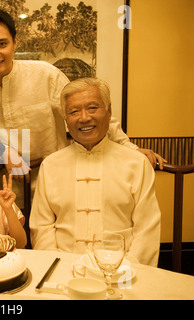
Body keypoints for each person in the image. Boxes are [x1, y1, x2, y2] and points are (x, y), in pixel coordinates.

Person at [0, 8, 165, 206]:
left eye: (2, 44)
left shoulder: (45, 75)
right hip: (1, 192)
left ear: (15, 42)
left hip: (55, 184)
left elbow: (86, 114)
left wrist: (130, 148)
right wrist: (3, 151)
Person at [29, 78, 161, 266]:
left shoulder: (137, 163)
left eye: (92, 108)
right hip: (64, 270)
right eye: (74, 111)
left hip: (121, 271)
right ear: (66, 120)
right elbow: (42, 228)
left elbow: (147, 230)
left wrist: (125, 271)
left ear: (109, 112)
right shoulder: (51, 165)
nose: (84, 118)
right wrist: (58, 267)